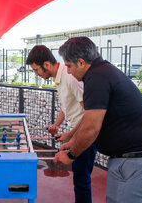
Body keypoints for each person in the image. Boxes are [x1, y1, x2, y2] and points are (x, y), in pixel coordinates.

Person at [56, 37, 142, 203]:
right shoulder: (103, 72)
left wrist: (70, 155)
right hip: (137, 162)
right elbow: (91, 116)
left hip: (133, 164)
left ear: (81, 62)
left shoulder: (97, 79)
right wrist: (73, 140)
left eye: (69, 66)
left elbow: (92, 128)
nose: (68, 71)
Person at [26, 45, 97, 203]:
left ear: (47, 64)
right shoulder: (59, 77)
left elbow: (89, 112)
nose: (36, 74)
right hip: (77, 131)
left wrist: (71, 136)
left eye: (36, 70)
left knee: (81, 180)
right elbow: (65, 106)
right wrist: (57, 124)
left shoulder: (69, 77)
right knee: (79, 179)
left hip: (85, 133)